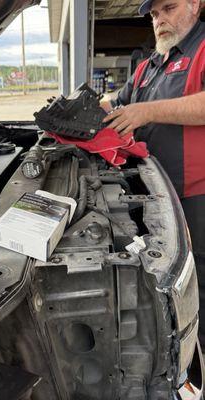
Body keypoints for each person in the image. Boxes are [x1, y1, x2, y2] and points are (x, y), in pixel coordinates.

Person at [102, 0, 205, 350]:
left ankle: (196, 359)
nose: (160, 19)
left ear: (195, 4)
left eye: (169, 8)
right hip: (153, 194)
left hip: (196, 194)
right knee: (159, 279)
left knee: (196, 282)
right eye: (154, 14)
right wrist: (82, 104)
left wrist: (145, 111)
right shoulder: (149, 65)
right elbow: (119, 103)